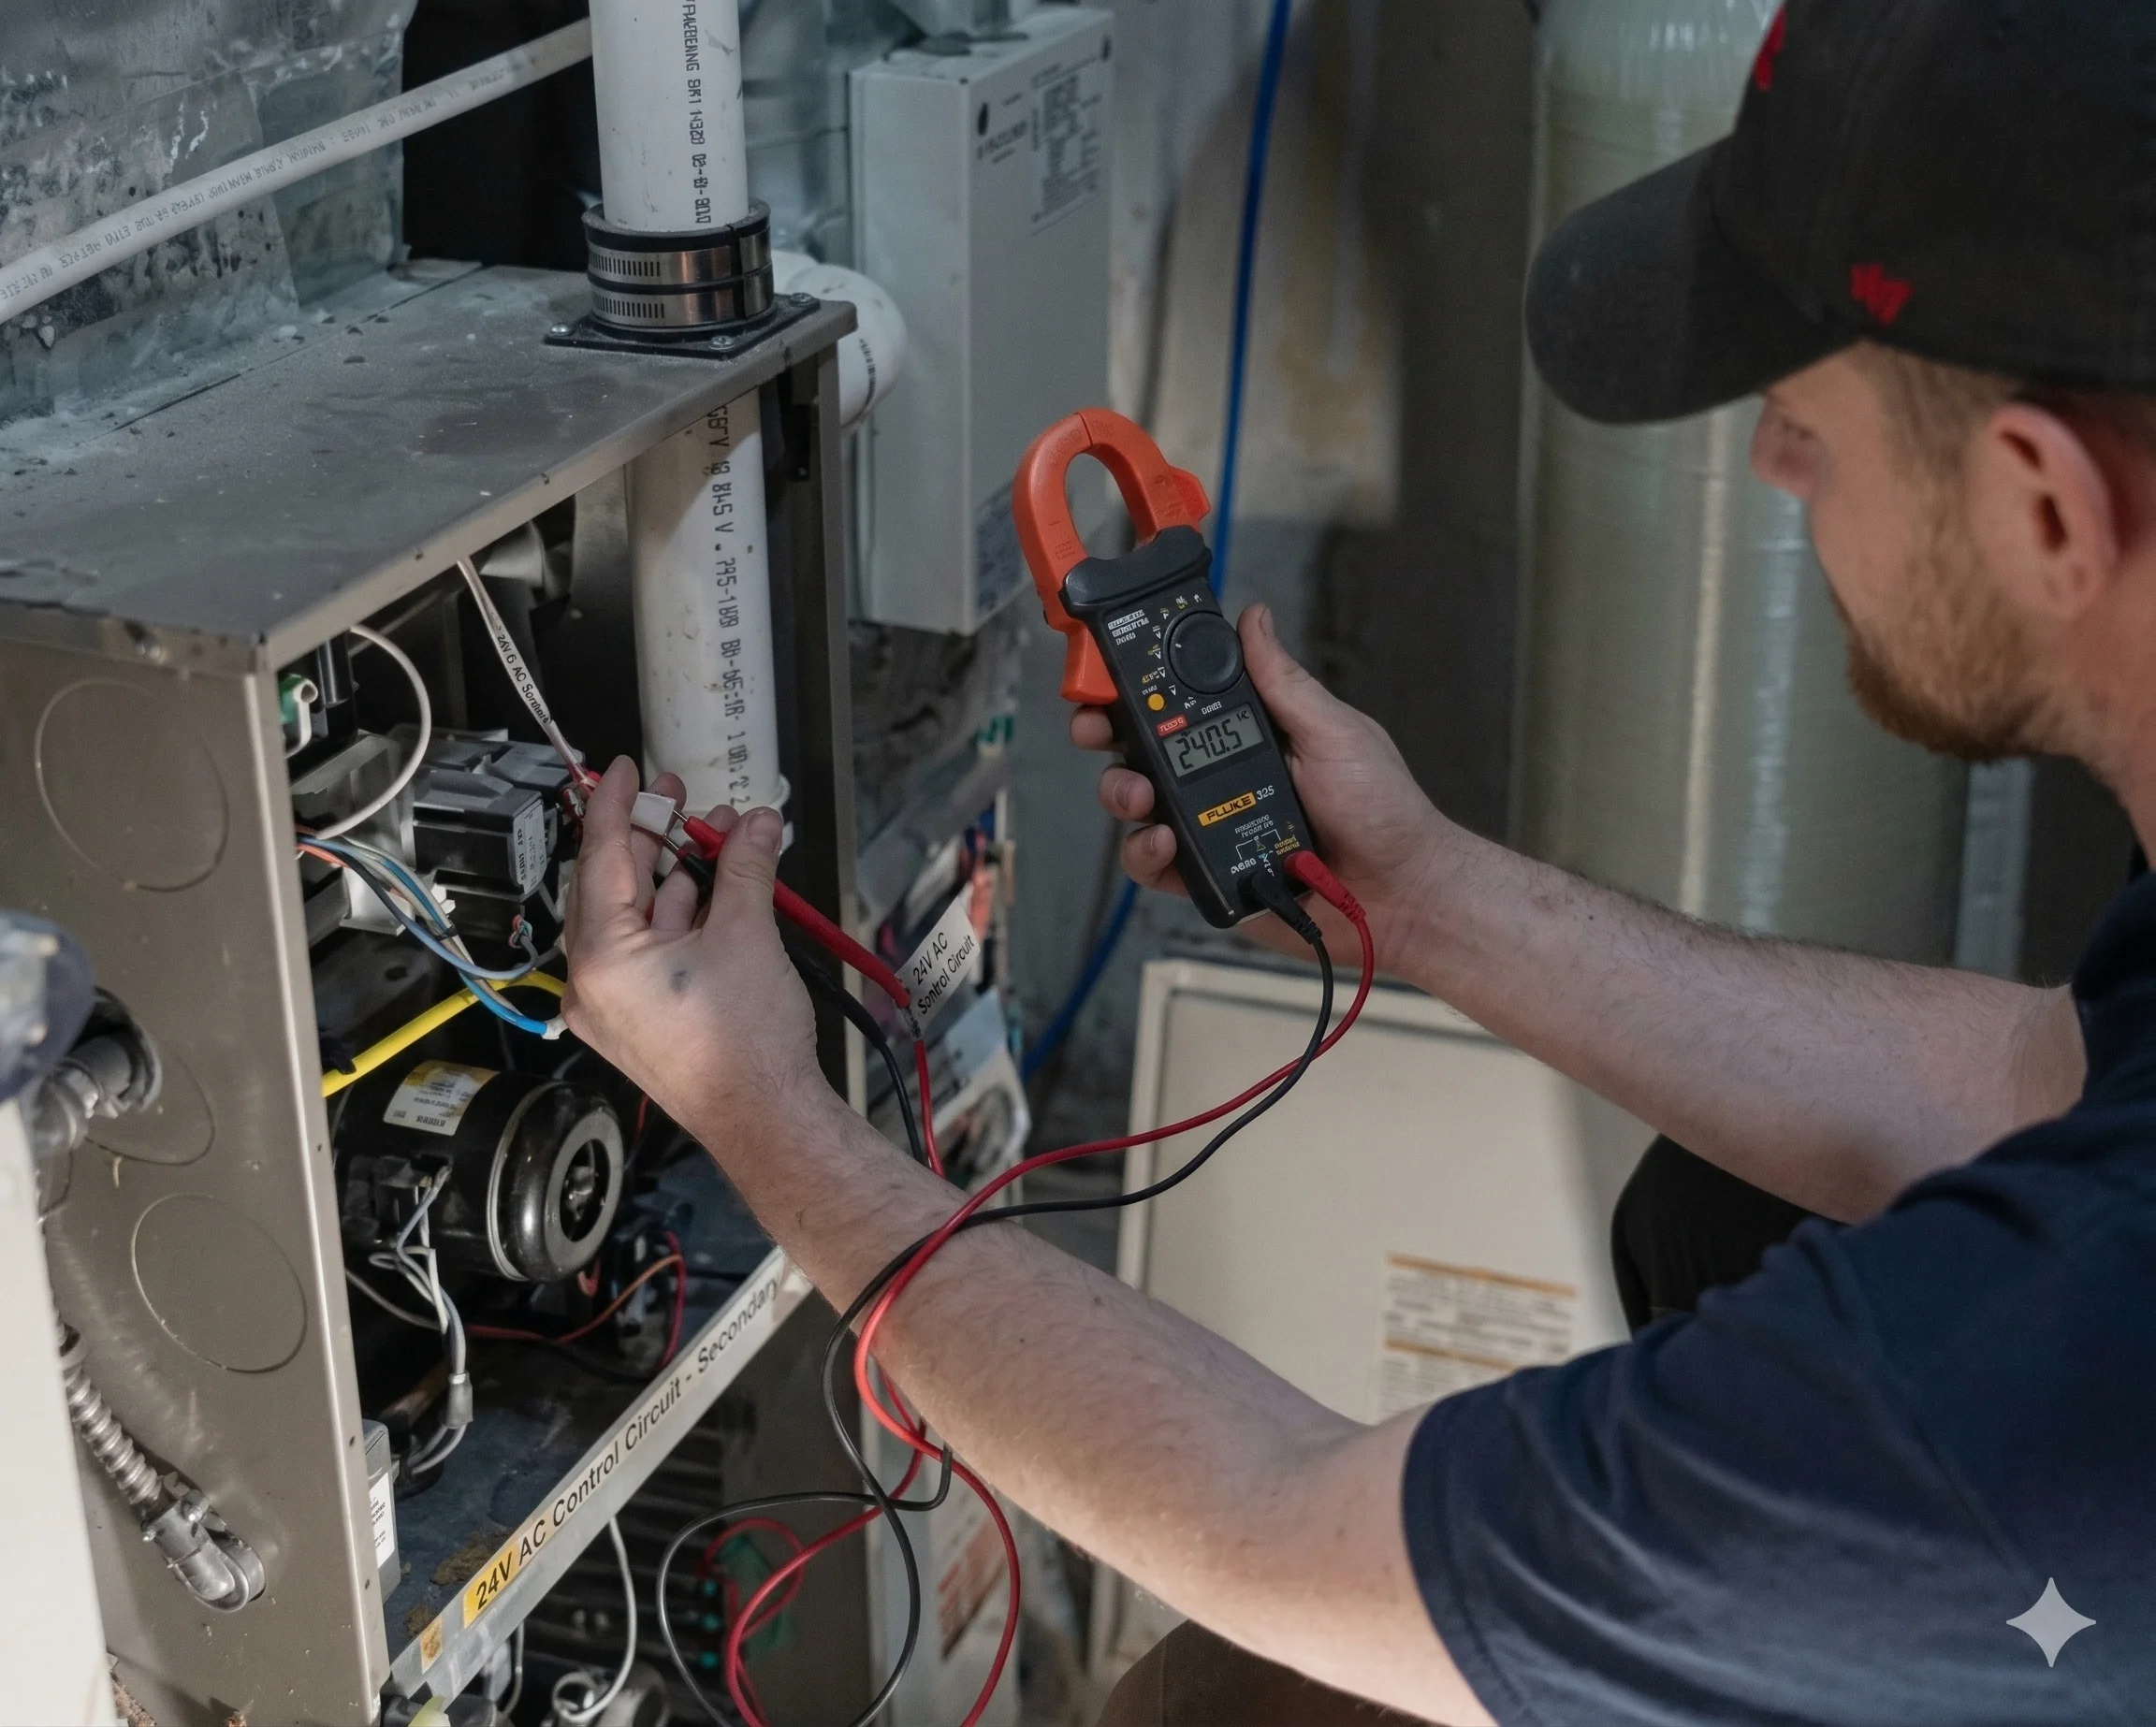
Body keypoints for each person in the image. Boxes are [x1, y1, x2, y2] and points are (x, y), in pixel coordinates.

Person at [561, 2, 2156, 1720]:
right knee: (1724, 1206)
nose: (1767, 464)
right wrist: (1430, 897)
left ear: (2046, 508)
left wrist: (766, 1113)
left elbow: (1277, 1524)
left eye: (1803, 425)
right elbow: (2038, 1080)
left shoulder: (2015, 1401)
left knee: (1220, 1708)